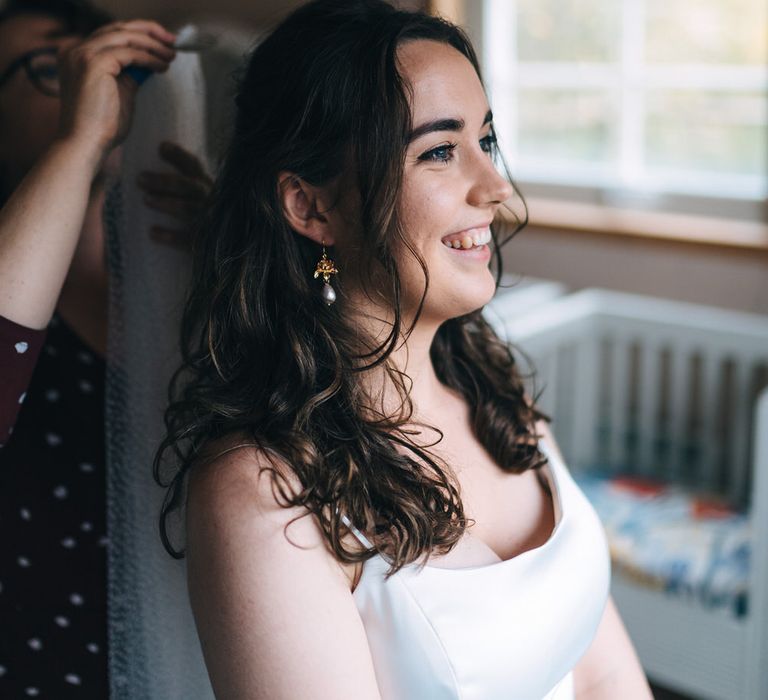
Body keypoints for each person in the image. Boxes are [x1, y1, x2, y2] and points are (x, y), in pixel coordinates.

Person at [155, 0, 654, 697]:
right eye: (440, 151)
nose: (496, 188)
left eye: (487, 140)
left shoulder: (493, 385)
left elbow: (602, 669)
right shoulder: (267, 490)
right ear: (311, 208)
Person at [0, 1, 212, 696]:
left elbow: (342, 324)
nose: (93, 72)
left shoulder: (193, 269)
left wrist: (266, 250)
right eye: (49, 64)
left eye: (91, 48)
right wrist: (78, 142)